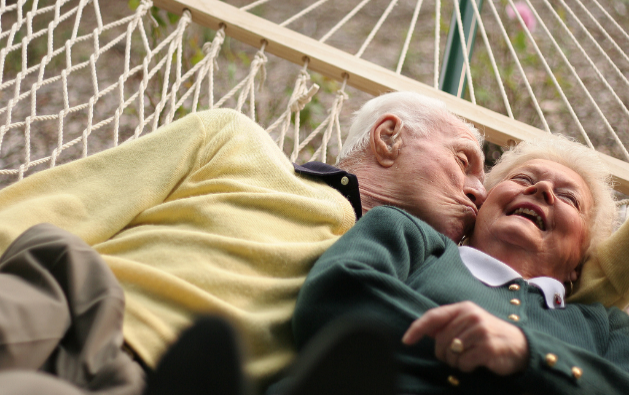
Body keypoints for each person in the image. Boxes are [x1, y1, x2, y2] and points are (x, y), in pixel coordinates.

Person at [0, 91, 486, 392]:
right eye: (464, 160)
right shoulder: (234, 141)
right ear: (389, 137)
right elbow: (62, 207)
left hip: (165, 382)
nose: (479, 192)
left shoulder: (401, 283)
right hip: (64, 301)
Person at [292, 134, 629, 394]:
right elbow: (335, 296)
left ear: (580, 259)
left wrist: (529, 354)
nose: (541, 189)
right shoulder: (409, 236)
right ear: (481, 208)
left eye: (568, 197)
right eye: (523, 179)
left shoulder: (607, 328)